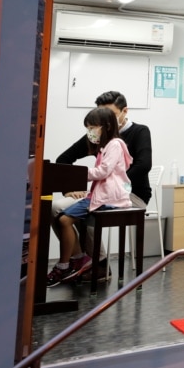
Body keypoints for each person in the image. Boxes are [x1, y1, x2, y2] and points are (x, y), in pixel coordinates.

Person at [52, 91, 153, 277]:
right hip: (101, 190)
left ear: (124, 111)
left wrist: (112, 183)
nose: (106, 122)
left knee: (75, 211)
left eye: (111, 115)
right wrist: (70, 189)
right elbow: (63, 159)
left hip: (131, 194)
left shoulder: (139, 131)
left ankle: (98, 264)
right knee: (56, 208)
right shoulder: (97, 135)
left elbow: (144, 165)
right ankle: (81, 260)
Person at [47, 107, 133, 286]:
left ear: (106, 126)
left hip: (110, 198)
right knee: (63, 219)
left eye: (93, 128)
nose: (90, 133)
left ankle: (66, 264)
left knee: (64, 220)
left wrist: (79, 175)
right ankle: (77, 259)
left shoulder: (115, 144)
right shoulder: (105, 146)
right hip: (101, 194)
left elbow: (103, 171)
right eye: (88, 128)